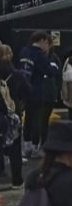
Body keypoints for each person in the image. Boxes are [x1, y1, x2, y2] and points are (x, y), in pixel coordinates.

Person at [17, 31, 60, 159]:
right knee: (37, 119)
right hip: (37, 90)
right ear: (41, 41)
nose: (48, 46)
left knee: (27, 118)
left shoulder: (24, 51)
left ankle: (26, 145)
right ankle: (36, 147)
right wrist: (53, 66)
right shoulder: (39, 55)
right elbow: (50, 71)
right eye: (47, 43)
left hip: (25, 90)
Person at [0, 44, 31, 189]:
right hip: (12, 113)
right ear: (11, 55)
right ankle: (17, 180)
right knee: (15, 148)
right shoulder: (17, 74)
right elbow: (28, 92)